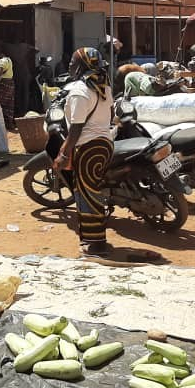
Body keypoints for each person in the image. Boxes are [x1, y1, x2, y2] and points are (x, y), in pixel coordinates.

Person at [55, 48, 114, 256]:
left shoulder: (80, 91)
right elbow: (109, 114)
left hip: (88, 148)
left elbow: (76, 128)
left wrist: (63, 154)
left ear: (81, 66)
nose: (70, 66)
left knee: (88, 195)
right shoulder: (103, 86)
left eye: (72, 63)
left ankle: (97, 244)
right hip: (104, 144)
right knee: (89, 192)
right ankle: (92, 239)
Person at [0, 46, 16, 131]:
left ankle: (1, 125)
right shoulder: (9, 60)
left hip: (3, 84)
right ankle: (10, 124)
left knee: (0, 104)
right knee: (9, 105)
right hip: (10, 83)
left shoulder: (1, 61)